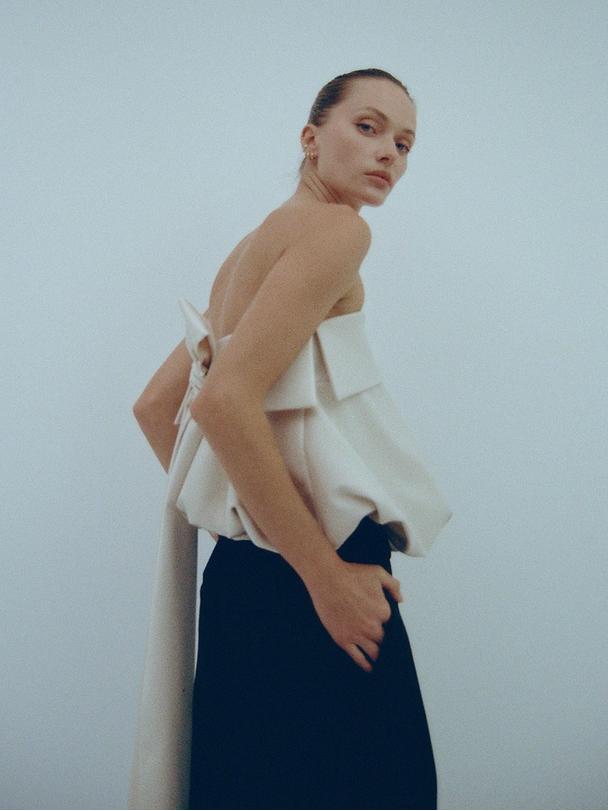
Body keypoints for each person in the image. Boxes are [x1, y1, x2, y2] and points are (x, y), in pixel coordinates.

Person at [129, 68, 452, 810]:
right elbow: (223, 403)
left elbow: (157, 407)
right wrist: (323, 575)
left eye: (405, 144)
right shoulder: (340, 230)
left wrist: (248, 525)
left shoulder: (247, 252)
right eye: (367, 127)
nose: (390, 153)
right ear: (310, 138)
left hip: (245, 581)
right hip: (321, 571)